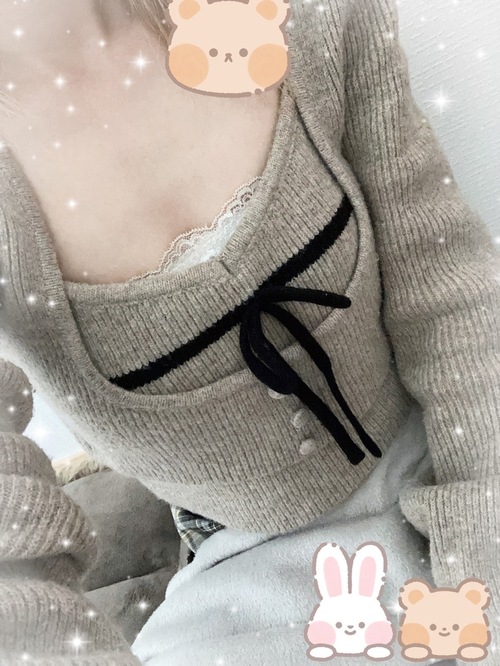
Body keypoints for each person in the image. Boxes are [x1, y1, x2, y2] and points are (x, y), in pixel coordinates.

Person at [0, 0, 498, 663]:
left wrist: (479, 558)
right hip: (238, 559)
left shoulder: (312, 18)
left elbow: (447, 290)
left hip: (442, 452)